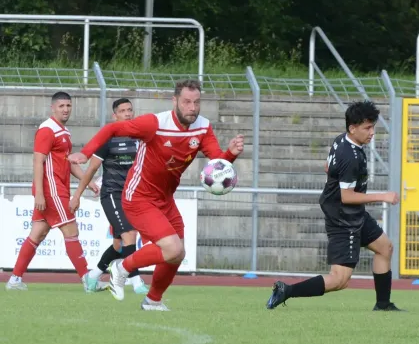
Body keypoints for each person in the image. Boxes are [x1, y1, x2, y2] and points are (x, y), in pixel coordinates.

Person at [68, 79, 245, 311]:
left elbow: (218, 164)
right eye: (186, 102)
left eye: (196, 102)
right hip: (138, 197)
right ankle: (121, 268)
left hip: (165, 199)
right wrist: (85, 152)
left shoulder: (203, 127)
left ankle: (152, 300)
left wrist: (230, 154)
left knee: (177, 254)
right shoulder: (155, 123)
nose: (192, 107)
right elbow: (112, 129)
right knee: (172, 248)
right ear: (175, 101)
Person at [266, 100, 404, 311]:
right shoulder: (350, 156)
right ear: (353, 128)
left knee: (385, 247)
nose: (372, 132)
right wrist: (383, 196)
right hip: (343, 219)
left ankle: (383, 305)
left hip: (353, 213)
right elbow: (347, 196)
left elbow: (328, 166)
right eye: (367, 127)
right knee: (340, 280)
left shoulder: (343, 141)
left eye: (373, 126)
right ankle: (287, 290)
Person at [5, 91, 105, 293]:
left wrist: (89, 181)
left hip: (56, 188)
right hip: (51, 190)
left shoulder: (64, 132)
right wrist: (40, 194)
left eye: (68, 105)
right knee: (71, 230)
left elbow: (68, 163)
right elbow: (37, 161)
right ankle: (87, 280)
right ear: (53, 108)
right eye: (61, 106)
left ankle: (14, 279)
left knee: (38, 234)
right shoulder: (47, 129)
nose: (66, 109)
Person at [69, 98, 149, 295]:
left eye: (130, 110)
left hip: (132, 196)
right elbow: (91, 169)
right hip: (112, 194)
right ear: (115, 116)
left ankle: (93, 276)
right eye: (123, 111)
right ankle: (136, 282)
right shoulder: (108, 139)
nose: (128, 113)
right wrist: (77, 195)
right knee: (130, 235)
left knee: (119, 245)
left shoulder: (140, 139)